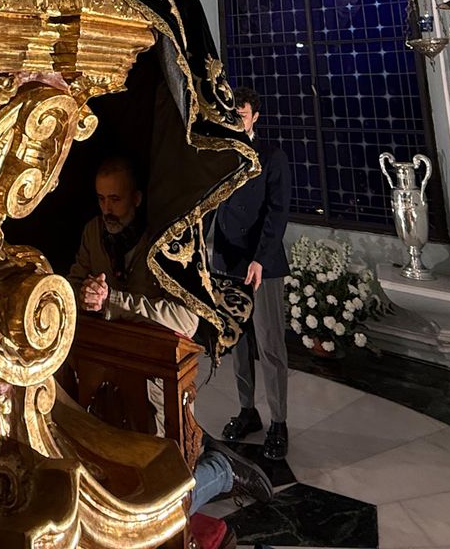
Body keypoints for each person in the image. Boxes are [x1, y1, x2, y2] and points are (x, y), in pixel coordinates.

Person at [70, 157, 272, 512]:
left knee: (161, 499)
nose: (107, 209)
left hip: (157, 379)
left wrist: (112, 301)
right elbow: (76, 280)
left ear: (136, 198)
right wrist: (83, 293)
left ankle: (221, 470)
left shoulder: (168, 244)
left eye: (115, 199)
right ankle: (205, 449)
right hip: (107, 375)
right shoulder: (92, 231)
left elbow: (185, 318)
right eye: (101, 199)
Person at [213, 86, 291, 460]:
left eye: (241, 114)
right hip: (227, 263)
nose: (235, 120)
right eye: (231, 114)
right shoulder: (220, 154)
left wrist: (260, 258)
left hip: (263, 263)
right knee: (238, 344)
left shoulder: (272, 156)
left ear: (254, 117)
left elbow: (277, 214)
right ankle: (248, 411)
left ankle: (279, 422)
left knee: (270, 345)